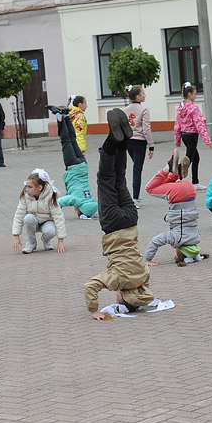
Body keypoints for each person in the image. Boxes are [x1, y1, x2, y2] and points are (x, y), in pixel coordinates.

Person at [85, 109, 156, 320]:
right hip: (113, 224)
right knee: (105, 178)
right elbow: (91, 286)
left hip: (131, 219)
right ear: (123, 295)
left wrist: (150, 299)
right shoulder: (118, 280)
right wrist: (94, 310)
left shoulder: (143, 275)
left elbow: (147, 290)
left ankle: (123, 141)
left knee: (119, 178)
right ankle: (111, 139)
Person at [143, 149, 208, 267]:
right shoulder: (176, 238)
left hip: (190, 191)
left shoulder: (196, 237)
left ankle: (177, 172)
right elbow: (155, 241)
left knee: (162, 186)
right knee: (150, 189)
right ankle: (169, 168)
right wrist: (148, 259)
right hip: (180, 194)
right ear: (179, 251)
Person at [48, 105, 98, 220]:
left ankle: (66, 115)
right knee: (65, 140)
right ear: (81, 209)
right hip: (73, 166)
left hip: (83, 165)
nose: (76, 211)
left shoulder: (89, 198)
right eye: (78, 212)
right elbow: (61, 201)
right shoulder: (77, 200)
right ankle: (59, 116)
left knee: (72, 138)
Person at [11, 169, 67, 254]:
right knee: (28, 218)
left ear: (39, 188)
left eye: (30, 187)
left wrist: (61, 241)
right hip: (34, 221)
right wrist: (16, 236)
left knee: (50, 231)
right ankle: (31, 243)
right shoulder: (25, 196)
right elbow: (19, 215)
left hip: (47, 221)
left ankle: (46, 240)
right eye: (26, 186)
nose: (27, 189)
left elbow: (59, 217)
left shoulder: (50, 196)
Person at [174, 82, 212, 190]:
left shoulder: (180, 108)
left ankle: (195, 181)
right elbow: (199, 124)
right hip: (192, 136)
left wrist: (177, 140)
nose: (195, 96)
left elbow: (177, 125)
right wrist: (207, 140)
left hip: (184, 135)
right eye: (194, 94)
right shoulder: (194, 108)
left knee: (196, 158)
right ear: (189, 94)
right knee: (188, 158)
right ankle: (176, 177)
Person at [123, 85, 154, 208]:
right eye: (143, 93)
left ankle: (136, 193)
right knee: (137, 169)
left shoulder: (125, 109)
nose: (145, 95)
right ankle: (135, 197)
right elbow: (146, 129)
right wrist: (151, 145)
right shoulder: (144, 109)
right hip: (140, 142)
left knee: (136, 166)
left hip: (128, 141)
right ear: (138, 96)